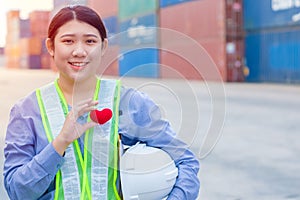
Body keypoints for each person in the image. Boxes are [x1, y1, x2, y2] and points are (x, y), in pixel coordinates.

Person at [3, 5, 200, 200]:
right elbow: (17, 192)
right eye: (68, 41)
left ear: (103, 46)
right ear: (51, 47)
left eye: (90, 41)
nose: (79, 51)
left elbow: (185, 160)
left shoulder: (128, 103)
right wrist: (60, 143)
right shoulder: (27, 111)